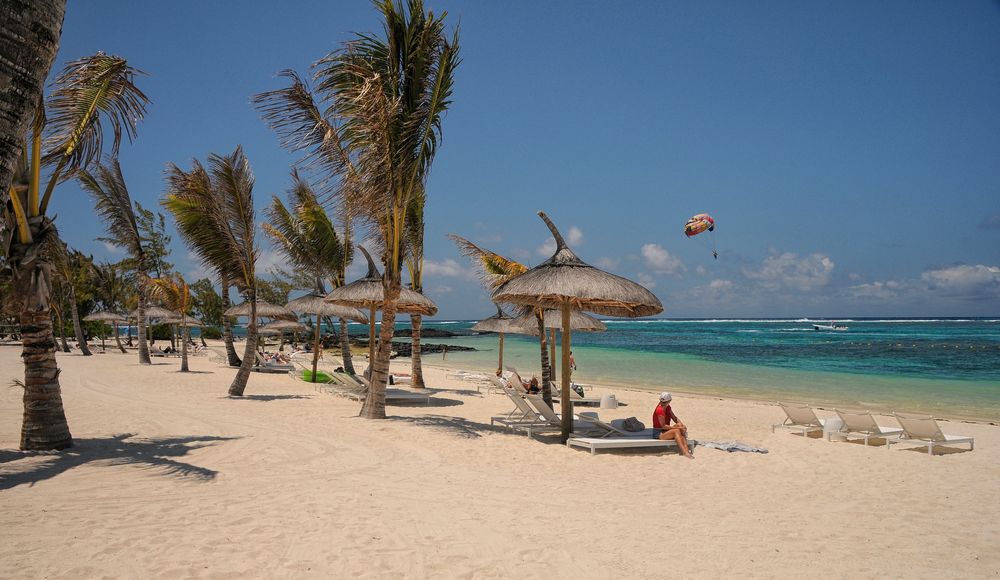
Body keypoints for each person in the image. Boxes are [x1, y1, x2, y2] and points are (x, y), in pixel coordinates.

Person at [652, 392, 693, 459]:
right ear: (669, 401)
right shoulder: (659, 410)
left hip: (665, 430)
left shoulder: (667, 407)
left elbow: (674, 418)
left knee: (679, 425)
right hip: (658, 433)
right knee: (676, 431)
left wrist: (682, 425)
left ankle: (686, 448)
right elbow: (663, 426)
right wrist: (680, 428)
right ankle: (684, 452)